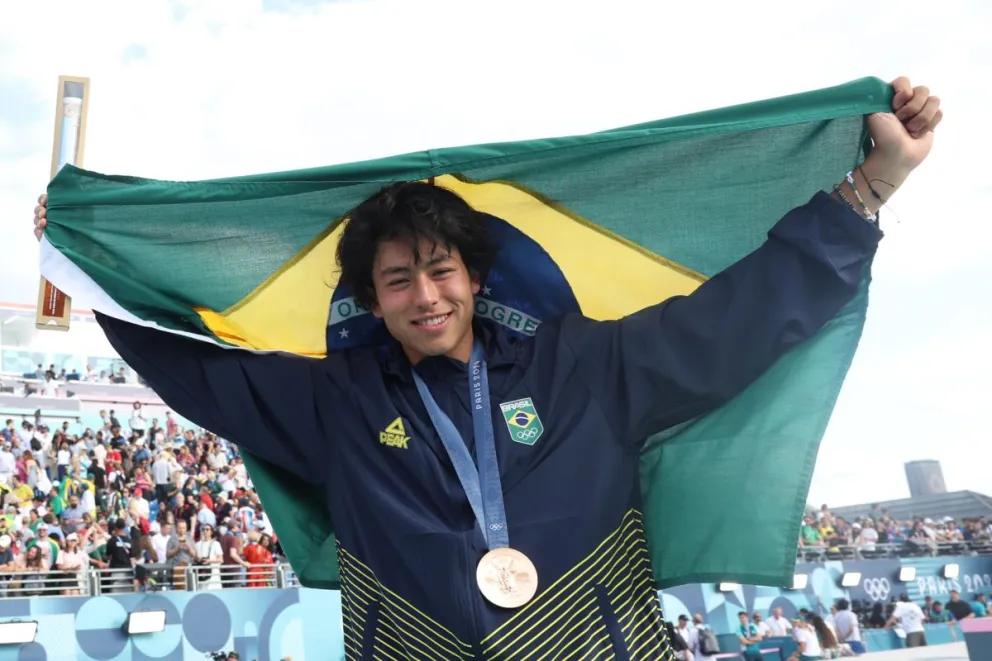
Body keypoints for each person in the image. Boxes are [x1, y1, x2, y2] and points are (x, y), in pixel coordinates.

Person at [32, 78, 941, 659]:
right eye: (399, 279)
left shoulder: (582, 365)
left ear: (473, 278)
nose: (425, 295)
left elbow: (731, 326)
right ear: (372, 299)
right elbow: (198, 374)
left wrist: (870, 189)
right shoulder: (337, 402)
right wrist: (81, 270)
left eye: (441, 271)